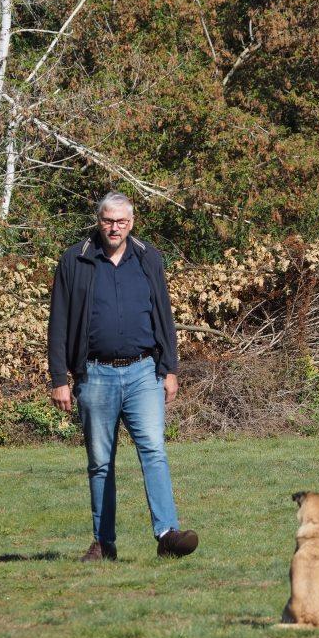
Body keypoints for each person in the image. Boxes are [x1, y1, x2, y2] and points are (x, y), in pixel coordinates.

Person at [48, 191, 198, 561]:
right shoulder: (75, 259)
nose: (114, 228)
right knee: (100, 462)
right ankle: (104, 544)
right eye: (108, 220)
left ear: (131, 223)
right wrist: (59, 378)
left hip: (144, 371)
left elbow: (163, 314)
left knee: (154, 450)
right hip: (94, 374)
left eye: (121, 221)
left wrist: (170, 368)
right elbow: (59, 322)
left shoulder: (149, 258)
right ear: (98, 221)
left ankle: (167, 534)